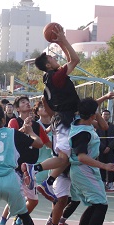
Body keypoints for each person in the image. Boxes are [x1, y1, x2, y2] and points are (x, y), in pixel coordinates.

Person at [64, 97, 114, 225]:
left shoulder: (81, 122)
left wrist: (99, 104)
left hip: (84, 169)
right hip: (83, 169)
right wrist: (104, 166)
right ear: (93, 114)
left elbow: (104, 126)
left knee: (95, 204)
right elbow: (82, 157)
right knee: (101, 204)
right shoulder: (82, 133)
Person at [34, 24, 83, 197]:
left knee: (67, 157)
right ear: (48, 65)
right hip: (65, 120)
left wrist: (61, 43)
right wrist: (64, 40)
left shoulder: (50, 78)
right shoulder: (56, 77)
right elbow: (75, 60)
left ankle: (48, 182)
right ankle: (35, 169)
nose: (56, 59)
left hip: (62, 120)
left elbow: (70, 60)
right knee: (63, 158)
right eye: (52, 58)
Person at [0, 96, 51, 225]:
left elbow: (44, 143)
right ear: (18, 108)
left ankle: (18, 221)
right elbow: (11, 139)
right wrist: (23, 129)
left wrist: (60, 150)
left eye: (27, 101)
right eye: (23, 102)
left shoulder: (37, 126)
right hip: (17, 167)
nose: (27, 103)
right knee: (15, 198)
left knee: (33, 201)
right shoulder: (14, 122)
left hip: (30, 168)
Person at [97, 109, 114, 191]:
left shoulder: (113, 126)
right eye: (104, 114)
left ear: (110, 116)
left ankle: (111, 183)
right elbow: (97, 138)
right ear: (101, 116)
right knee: (101, 165)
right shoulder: (97, 126)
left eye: (107, 114)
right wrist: (103, 147)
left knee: (111, 165)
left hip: (110, 150)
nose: (106, 116)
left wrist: (109, 147)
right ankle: (102, 182)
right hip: (101, 150)